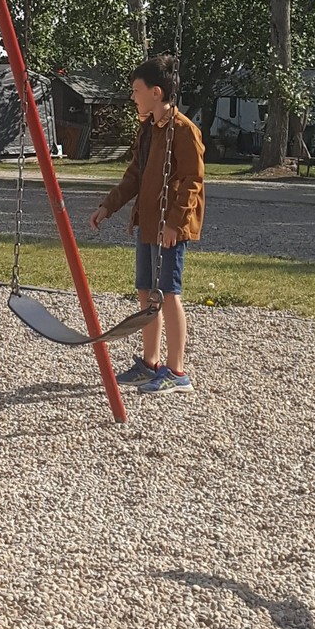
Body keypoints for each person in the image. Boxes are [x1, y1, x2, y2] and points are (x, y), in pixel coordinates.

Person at [89, 55, 204, 397]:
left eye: (136, 90)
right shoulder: (148, 130)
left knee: (168, 293)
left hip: (170, 227)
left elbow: (192, 181)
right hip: (148, 222)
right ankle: (150, 363)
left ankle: (177, 371)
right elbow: (134, 176)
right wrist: (108, 205)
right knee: (145, 291)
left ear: (156, 92)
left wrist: (175, 223)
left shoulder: (184, 130)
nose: (132, 96)